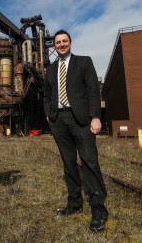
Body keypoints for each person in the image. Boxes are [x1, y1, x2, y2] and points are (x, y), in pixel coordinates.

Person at [43, 29, 108, 232]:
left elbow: (93, 90)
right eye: (58, 42)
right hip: (59, 121)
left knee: (89, 162)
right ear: (54, 45)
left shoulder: (84, 62)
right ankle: (74, 204)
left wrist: (95, 117)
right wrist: (49, 114)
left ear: (70, 43)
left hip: (81, 120)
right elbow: (46, 94)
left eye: (64, 41)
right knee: (69, 163)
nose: (61, 44)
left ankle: (99, 211)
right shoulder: (51, 69)